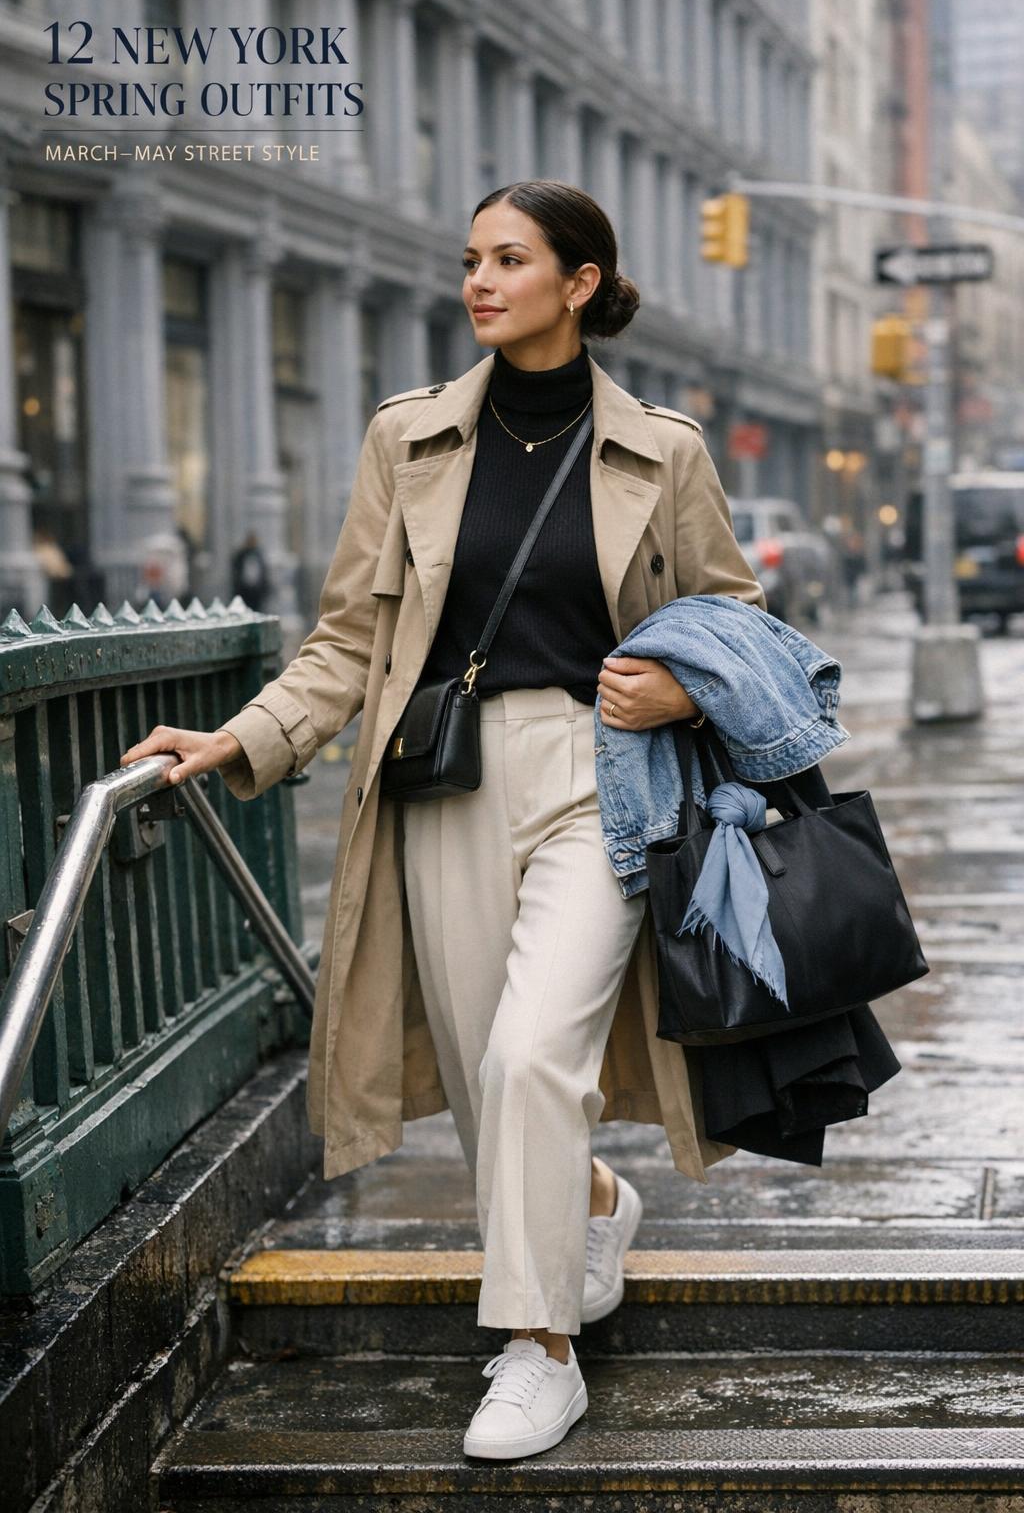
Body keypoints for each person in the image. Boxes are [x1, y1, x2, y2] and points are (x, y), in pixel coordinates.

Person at [120, 180, 766, 1461]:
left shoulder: (664, 450)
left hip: (604, 774)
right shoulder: (407, 439)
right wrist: (242, 737)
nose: (478, 281)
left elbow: (735, 619)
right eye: (471, 259)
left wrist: (684, 686)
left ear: (579, 283)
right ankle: (589, 1200)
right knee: (486, 1078)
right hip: (443, 777)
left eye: (509, 260)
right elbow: (347, 641)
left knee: (530, 1054)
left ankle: (537, 1350)